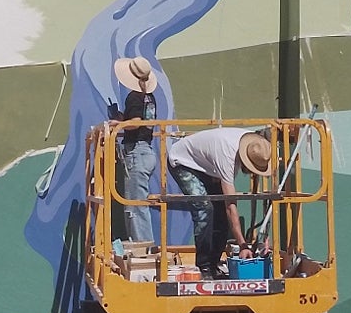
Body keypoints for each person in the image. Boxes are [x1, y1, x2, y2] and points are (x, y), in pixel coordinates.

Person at [166, 127, 274, 277]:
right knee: (204, 209)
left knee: (220, 213)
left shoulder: (250, 142)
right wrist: (242, 244)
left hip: (207, 165)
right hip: (182, 162)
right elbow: (230, 206)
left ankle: (213, 264)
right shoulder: (228, 157)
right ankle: (204, 267)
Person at [109, 56, 159, 242]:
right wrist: (124, 119)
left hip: (136, 153)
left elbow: (137, 123)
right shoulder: (149, 97)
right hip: (147, 151)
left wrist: (118, 125)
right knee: (137, 205)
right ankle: (143, 247)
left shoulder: (133, 97)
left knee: (135, 207)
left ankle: (143, 251)